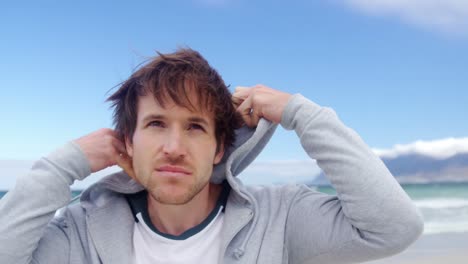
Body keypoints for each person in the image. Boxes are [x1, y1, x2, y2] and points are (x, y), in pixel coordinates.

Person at [0, 48, 423, 264]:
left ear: (221, 145)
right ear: (127, 141)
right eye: (156, 124)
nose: (173, 147)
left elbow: (394, 228)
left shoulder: (278, 218)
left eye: (195, 127)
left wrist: (300, 113)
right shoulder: (81, 231)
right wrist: (64, 164)